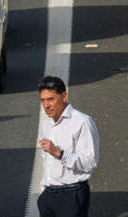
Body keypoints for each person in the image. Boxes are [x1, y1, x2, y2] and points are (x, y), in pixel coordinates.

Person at [36, 75, 99, 217]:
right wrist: (42, 194)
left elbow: (90, 162)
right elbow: (46, 160)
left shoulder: (82, 122)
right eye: (43, 100)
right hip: (48, 196)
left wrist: (60, 154)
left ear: (64, 97)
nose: (46, 105)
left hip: (71, 195)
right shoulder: (47, 123)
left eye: (51, 99)